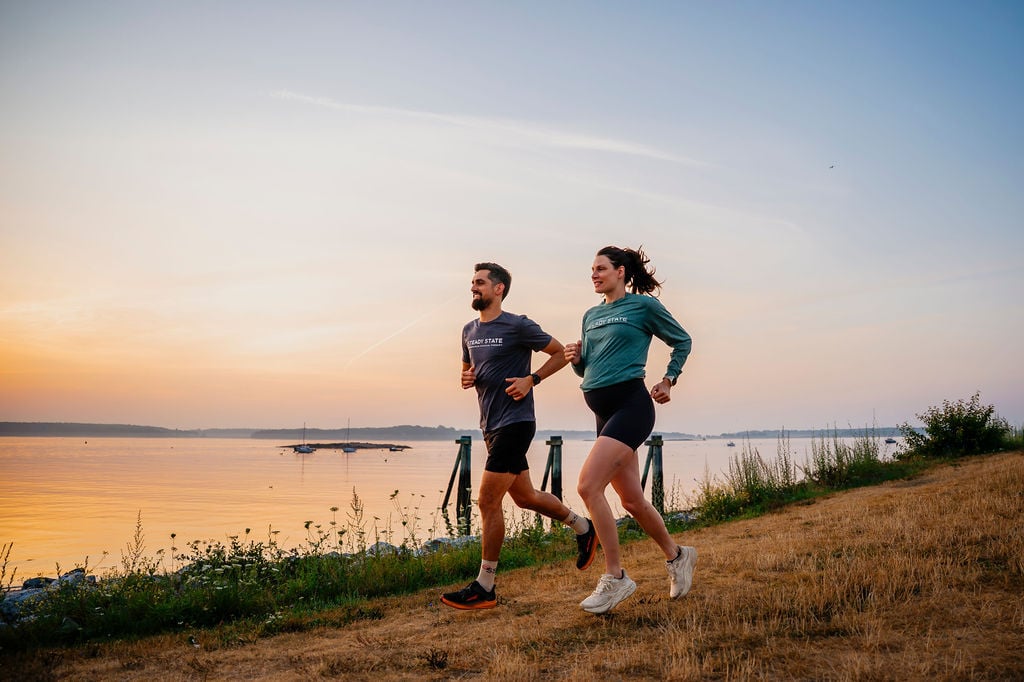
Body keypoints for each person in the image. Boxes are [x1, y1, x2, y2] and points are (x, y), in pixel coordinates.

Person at [441, 262, 598, 610]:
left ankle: (485, 586)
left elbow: (560, 352)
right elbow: (467, 368)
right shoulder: (468, 330)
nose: (473, 287)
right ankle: (583, 527)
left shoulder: (518, 324)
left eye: (480, 283)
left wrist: (532, 379)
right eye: (472, 282)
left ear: (498, 289)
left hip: (516, 422)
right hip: (490, 425)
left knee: (486, 502)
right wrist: (466, 377)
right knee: (524, 497)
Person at [564, 245, 697, 615]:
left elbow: (682, 340)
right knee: (632, 501)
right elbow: (589, 368)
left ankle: (616, 576)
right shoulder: (590, 315)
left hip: (631, 406)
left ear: (621, 272)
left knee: (588, 485)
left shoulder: (643, 307)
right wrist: (577, 361)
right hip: (602, 412)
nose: (594, 274)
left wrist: (669, 379)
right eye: (591, 269)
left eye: (601, 269)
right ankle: (678, 556)